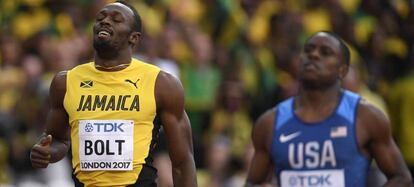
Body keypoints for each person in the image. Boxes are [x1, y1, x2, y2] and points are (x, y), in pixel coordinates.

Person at [29, 1, 197, 187]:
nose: (105, 21)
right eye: (100, 18)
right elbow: (58, 140)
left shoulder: (161, 83)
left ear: (134, 38)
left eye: (116, 20)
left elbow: (183, 161)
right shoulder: (65, 82)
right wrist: (45, 152)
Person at [245, 31, 412, 187]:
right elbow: (252, 183)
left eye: (325, 52)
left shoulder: (366, 117)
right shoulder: (270, 123)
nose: (314, 55)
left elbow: (402, 178)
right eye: (308, 50)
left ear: (342, 70)